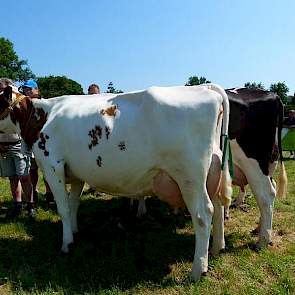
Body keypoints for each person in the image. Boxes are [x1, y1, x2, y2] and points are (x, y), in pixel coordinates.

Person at [0, 78, 34, 218]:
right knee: (13, 178)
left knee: (24, 177)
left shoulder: (18, 101)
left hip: (18, 144)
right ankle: (17, 204)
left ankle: (31, 205)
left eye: (1, 86)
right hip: (2, 146)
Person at [21, 79, 55, 204]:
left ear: (37, 89)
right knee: (32, 169)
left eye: (29, 89)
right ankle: (34, 192)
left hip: (45, 141)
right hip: (29, 141)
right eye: (25, 90)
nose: (27, 92)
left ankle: (50, 194)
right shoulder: (23, 105)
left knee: (47, 170)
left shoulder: (46, 103)